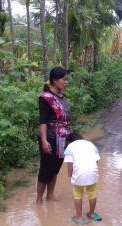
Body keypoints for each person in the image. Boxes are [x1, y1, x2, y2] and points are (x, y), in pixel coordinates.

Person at [37, 67, 71, 204]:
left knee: (56, 168)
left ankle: (50, 195)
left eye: (67, 79)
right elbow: (43, 121)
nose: (66, 82)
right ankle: (39, 199)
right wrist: (44, 140)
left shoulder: (63, 98)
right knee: (46, 169)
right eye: (64, 79)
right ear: (55, 81)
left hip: (63, 139)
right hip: (50, 138)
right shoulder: (46, 98)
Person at [63, 133, 102, 225]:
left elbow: (70, 166)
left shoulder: (70, 147)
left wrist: (70, 177)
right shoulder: (90, 144)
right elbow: (96, 161)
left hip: (79, 173)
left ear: (69, 140)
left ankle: (79, 217)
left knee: (78, 195)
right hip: (93, 172)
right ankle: (92, 214)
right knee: (92, 194)